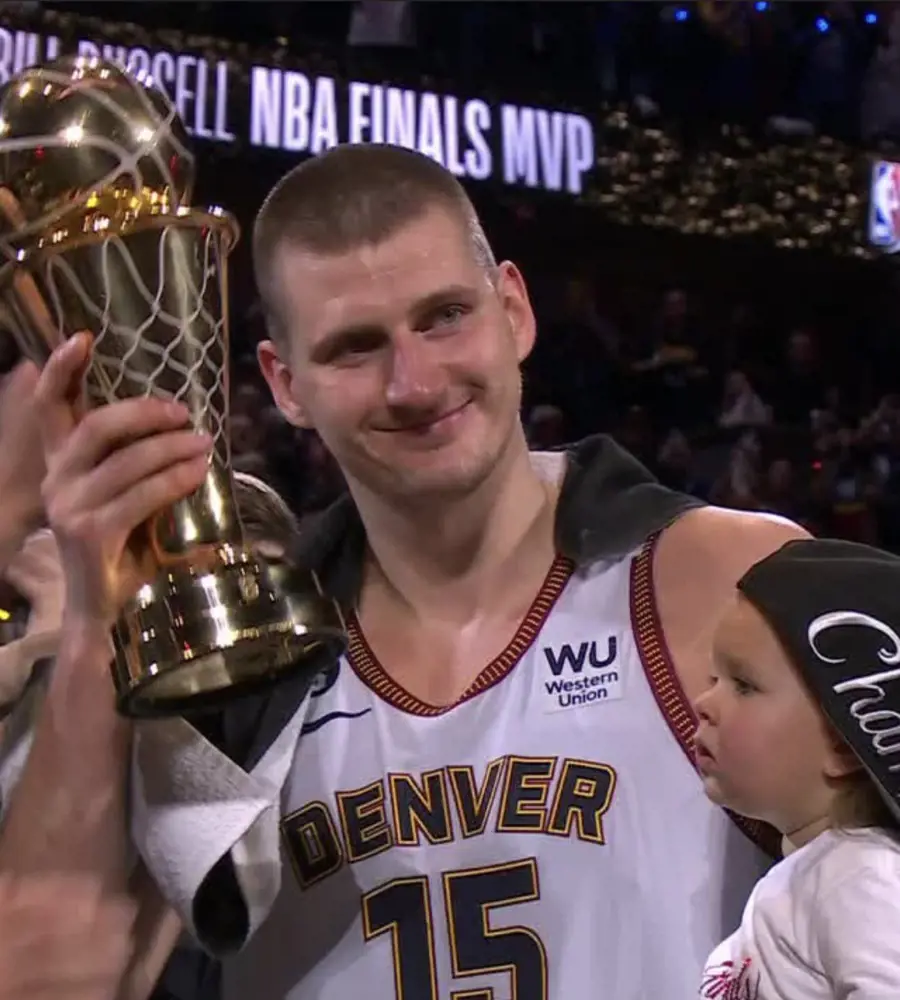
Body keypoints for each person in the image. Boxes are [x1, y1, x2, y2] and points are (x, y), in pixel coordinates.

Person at [3, 144, 809, 1000]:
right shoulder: (233, 675)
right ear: (285, 386)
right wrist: (98, 616)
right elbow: (41, 981)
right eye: (355, 348)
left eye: (445, 316)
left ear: (515, 311)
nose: (415, 382)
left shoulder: (725, 581)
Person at [695, 538, 900, 999]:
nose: (704, 703)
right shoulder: (819, 879)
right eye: (714, 679)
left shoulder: (859, 879)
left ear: (844, 744)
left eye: (743, 685)